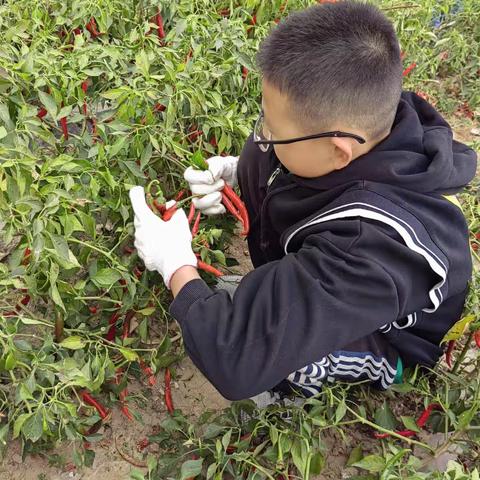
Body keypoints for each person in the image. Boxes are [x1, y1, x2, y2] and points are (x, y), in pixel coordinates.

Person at [129, 1, 477, 403]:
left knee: (275, 362)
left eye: (273, 129)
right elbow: (279, 156)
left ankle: (307, 394)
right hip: (336, 254)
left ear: (339, 150)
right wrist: (238, 173)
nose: (265, 134)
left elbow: (235, 356)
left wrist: (175, 266)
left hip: (387, 341)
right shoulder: (371, 122)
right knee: (265, 158)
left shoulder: (374, 248)